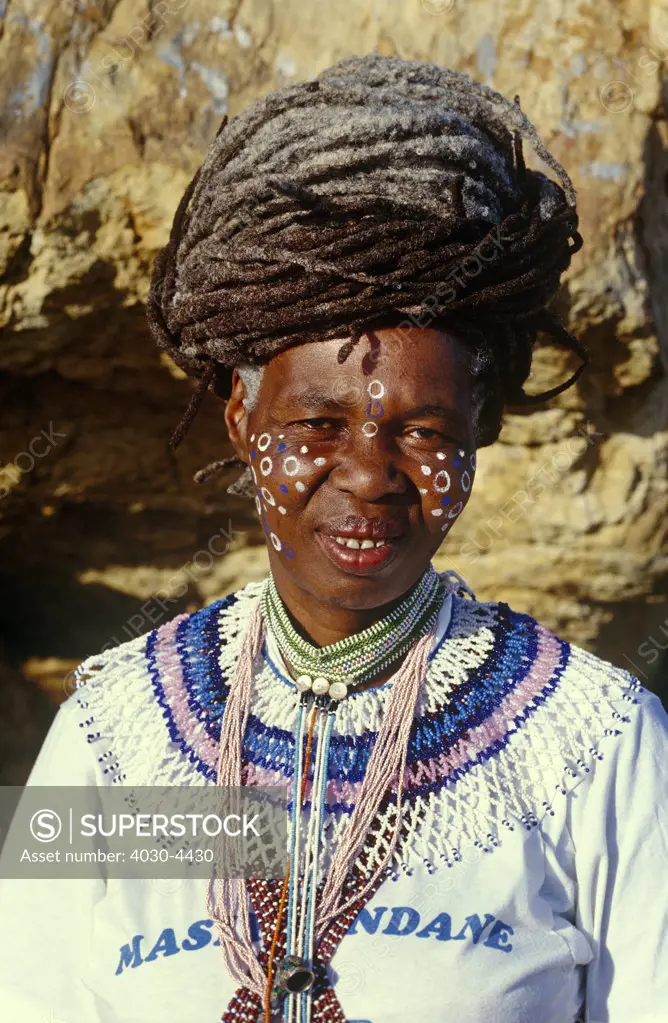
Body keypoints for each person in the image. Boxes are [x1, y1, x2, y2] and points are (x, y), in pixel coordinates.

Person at [1, 53, 666, 1023]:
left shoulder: (595, 746)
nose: (366, 474)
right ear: (241, 422)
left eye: (423, 431)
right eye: (317, 425)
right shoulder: (108, 739)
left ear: (477, 429)